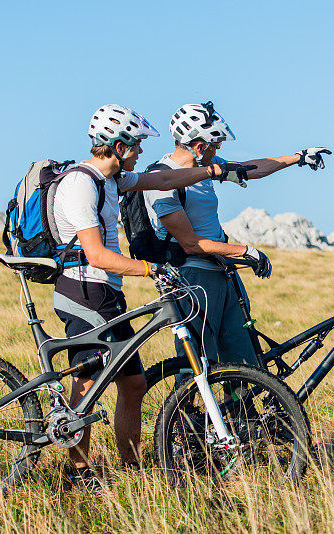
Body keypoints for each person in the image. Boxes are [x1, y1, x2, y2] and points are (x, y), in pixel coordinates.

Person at [54, 104, 252, 492]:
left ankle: (130, 467)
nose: (142, 150)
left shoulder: (114, 180)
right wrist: (149, 269)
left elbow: (162, 181)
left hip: (107, 291)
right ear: (118, 144)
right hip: (82, 287)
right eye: (137, 143)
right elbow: (94, 254)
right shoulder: (81, 183)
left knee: (133, 384)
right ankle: (79, 474)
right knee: (87, 382)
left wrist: (213, 170)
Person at [143, 101, 330, 370]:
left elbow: (250, 168)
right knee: (197, 364)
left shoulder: (209, 167)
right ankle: (189, 412)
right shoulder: (161, 180)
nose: (218, 151)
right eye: (215, 145)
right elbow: (190, 244)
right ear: (199, 146)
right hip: (191, 278)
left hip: (223, 273)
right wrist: (244, 251)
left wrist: (298, 157)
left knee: (244, 361)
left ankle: (241, 411)